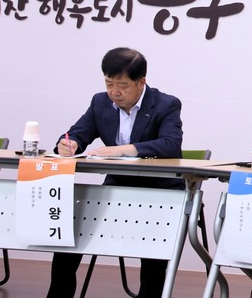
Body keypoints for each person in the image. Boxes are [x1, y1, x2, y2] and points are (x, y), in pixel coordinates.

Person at [46, 47, 184, 298]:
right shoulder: (100, 102)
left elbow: (170, 144)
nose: (114, 92)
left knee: (153, 243)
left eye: (122, 86)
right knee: (70, 226)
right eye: (109, 84)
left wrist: (125, 149)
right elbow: (78, 133)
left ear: (141, 82)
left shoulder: (166, 104)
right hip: (117, 189)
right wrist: (69, 144)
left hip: (160, 192)